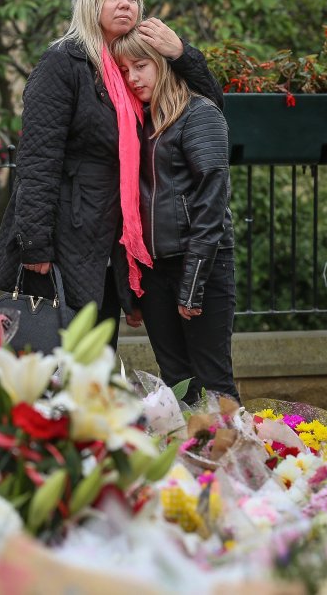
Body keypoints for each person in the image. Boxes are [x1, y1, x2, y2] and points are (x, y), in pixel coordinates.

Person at [0, 0, 224, 349]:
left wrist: (181, 54)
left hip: (109, 239)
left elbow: (208, 109)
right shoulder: (64, 63)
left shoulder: (131, 67)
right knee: (56, 357)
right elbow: (37, 159)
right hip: (67, 232)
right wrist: (35, 243)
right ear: (90, 4)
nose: (124, 4)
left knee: (95, 356)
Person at [110, 29, 238, 403]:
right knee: (177, 384)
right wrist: (130, 290)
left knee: (214, 384)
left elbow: (210, 206)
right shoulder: (137, 122)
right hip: (154, 271)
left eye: (141, 65)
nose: (132, 77)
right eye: (125, 69)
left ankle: (236, 462)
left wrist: (192, 285)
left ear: (164, 64)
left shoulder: (200, 114)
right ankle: (187, 461)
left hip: (200, 265)